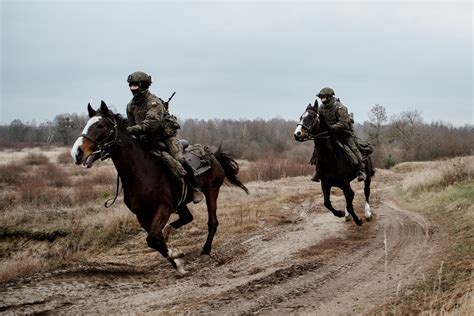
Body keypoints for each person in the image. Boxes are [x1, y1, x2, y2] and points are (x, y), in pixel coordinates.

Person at [125, 71, 204, 203]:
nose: (132, 88)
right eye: (130, 85)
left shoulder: (154, 103)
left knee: (179, 159)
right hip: (146, 140)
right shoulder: (130, 106)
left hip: (164, 138)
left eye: (135, 85)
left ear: (143, 85)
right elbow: (131, 125)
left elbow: (151, 124)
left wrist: (128, 130)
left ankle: (195, 188)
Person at [311, 87, 366, 182]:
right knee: (318, 147)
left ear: (329, 96)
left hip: (343, 133)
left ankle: (361, 169)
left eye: (323, 97)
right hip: (328, 134)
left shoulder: (340, 107)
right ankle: (318, 171)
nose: (321, 99)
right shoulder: (321, 108)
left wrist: (332, 128)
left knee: (352, 147)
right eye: (320, 97)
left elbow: (344, 123)